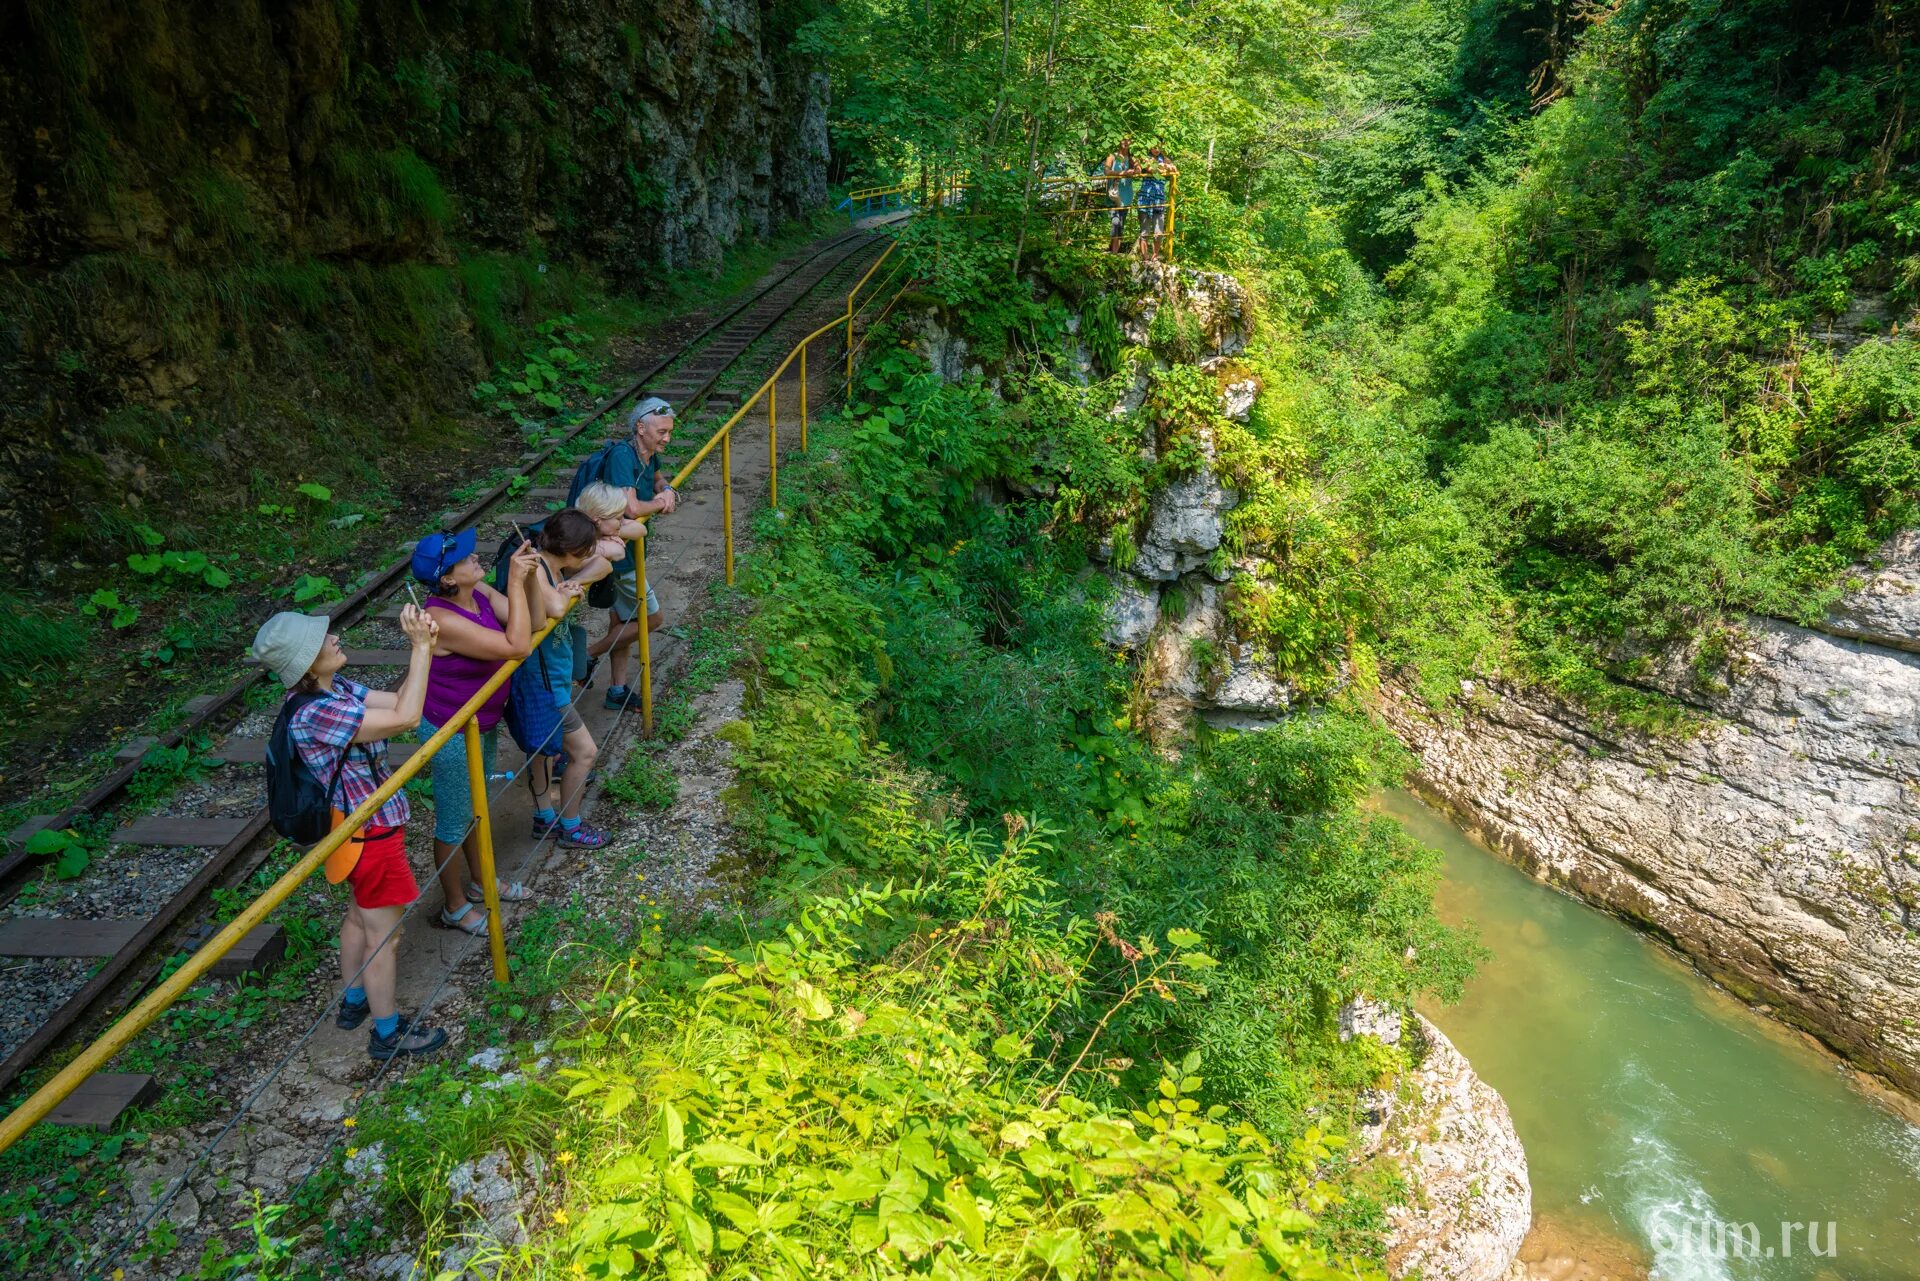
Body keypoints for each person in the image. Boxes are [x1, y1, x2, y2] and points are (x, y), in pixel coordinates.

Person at [252, 607, 450, 1061]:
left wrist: (427, 650)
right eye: (323, 638)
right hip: (370, 834)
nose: (335, 637)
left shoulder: (334, 689)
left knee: (360, 918)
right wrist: (419, 648)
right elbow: (406, 720)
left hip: (353, 832)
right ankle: (387, 1034)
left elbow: (400, 700)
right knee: (386, 935)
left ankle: (354, 1000)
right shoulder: (315, 715)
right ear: (306, 662)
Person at [411, 528, 540, 934]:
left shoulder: (477, 589)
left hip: (478, 722)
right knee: (453, 820)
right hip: (450, 728)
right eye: (466, 559)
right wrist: (516, 581)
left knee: (475, 807)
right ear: (447, 578)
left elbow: (531, 621)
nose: (476, 560)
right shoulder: (443, 619)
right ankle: (453, 905)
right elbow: (517, 646)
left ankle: (483, 881)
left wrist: (530, 578)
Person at [515, 509, 612, 848]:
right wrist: (569, 591)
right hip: (543, 685)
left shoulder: (551, 566)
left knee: (542, 752)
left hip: (548, 680)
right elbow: (554, 608)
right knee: (585, 752)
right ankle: (570, 826)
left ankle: (543, 817)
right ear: (574, 551)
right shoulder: (538, 568)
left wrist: (574, 583)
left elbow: (607, 562)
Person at [585, 397, 678, 711]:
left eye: (669, 432)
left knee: (621, 621)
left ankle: (617, 690)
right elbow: (632, 508)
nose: (667, 438)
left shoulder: (647, 452)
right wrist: (660, 503)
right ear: (641, 427)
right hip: (620, 554)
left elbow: (655, 478)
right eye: (661, 432)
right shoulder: (623, 456)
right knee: (652, 618)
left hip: (629, 550)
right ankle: (586, 656)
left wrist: (665, 488)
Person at [1136, 144, 1177, 261]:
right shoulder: (1144, 157)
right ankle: (1145, 257)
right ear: (1150, 147)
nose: (1157, 149)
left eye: (1159, 147)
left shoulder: (1164, 158)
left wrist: (1163, 165)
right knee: (1145, 231)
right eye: (1154, 147)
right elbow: (1150, 169)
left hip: (1159, 198)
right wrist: (1163, 167)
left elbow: (1174, 168)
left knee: (1158, 231)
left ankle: (1154, 256)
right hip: (1145, 197)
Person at [1101, 137, 1138, 254]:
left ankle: (1113, 248)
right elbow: (1106, 171)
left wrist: (1135, 171)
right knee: (1115, 221)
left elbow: (1139, 169)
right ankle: (1115, 252)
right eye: (1123, 140)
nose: (1126, 142)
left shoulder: (1132, 157)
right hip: (1114, 193)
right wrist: (1122, 173)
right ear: (1118, 141)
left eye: (1128, 140)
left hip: (1126, 193)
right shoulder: (1112, 156)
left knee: (1121, 222)